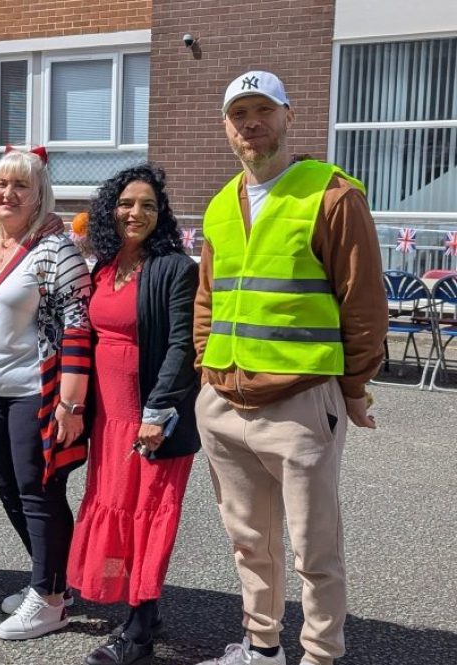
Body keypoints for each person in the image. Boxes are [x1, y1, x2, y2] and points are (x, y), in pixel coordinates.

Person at [193, 71, 386, 665]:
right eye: (239, 114)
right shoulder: (221, 204)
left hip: (302, 401)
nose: (251, 123)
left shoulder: (331, 194)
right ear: (227, 128)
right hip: (225, 399)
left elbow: (362, 304)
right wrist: (205, 369)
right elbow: (208, 297)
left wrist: (352, 388)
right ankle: (262, 647)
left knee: (313, 547)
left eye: (262, 110)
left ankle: (322, 654)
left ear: (288, 116)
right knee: (249, 542)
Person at [70, 164, 199, 665]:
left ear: (160, 214)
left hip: (149, 419)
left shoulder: (174, 268)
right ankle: (139, 609)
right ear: (111, 209)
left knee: (147, 519)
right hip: (108, 419)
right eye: (126, 203)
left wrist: (158, 410)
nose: (135, 213)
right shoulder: (104, 265)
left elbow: (181, 346)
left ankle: (140, 633)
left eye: (147, 205)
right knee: (117, 513)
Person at [0, 150, 92, 639]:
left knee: (39, 493)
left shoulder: (55, 250)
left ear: (40, 195)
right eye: (0, 184)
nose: (8, 194)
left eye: (20, 186)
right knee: (8, 490)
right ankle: (51, 580)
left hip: (36, 392)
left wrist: (70, 404)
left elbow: (79, 327)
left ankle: (50, 599)